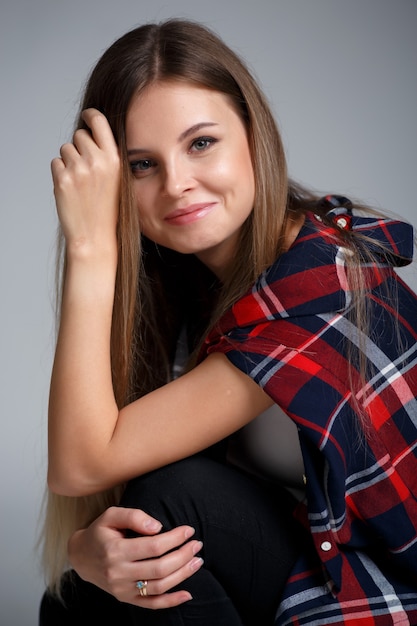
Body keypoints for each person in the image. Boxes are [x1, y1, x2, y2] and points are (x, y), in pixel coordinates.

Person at [39, 18, 417, 626]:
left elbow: (83, 464)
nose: (178, 185)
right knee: (75, 601)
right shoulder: (194, 283)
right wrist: (85, 555)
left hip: (383, 583)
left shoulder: (318, 287)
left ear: (253, 134)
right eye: (141, 165)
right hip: (305, 549)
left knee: (168, 504)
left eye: (200, 143)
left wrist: (90, 250)